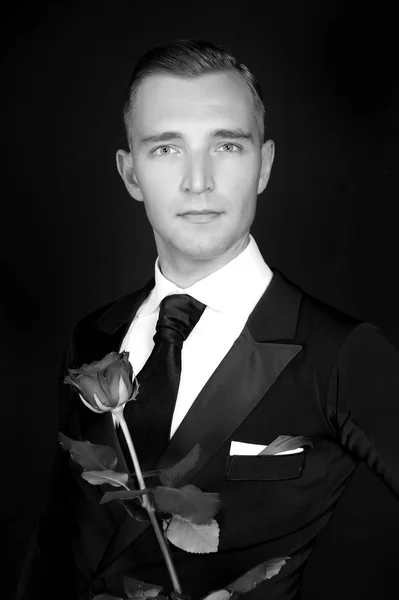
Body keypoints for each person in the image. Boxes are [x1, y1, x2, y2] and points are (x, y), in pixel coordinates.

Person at [16, 38, 399, 600]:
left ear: (264, 165)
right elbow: (59, 542)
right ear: (129, 174)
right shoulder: (92, 335)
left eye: (227, 147)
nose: (198, 181)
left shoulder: (343, 352)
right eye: (166, 149)